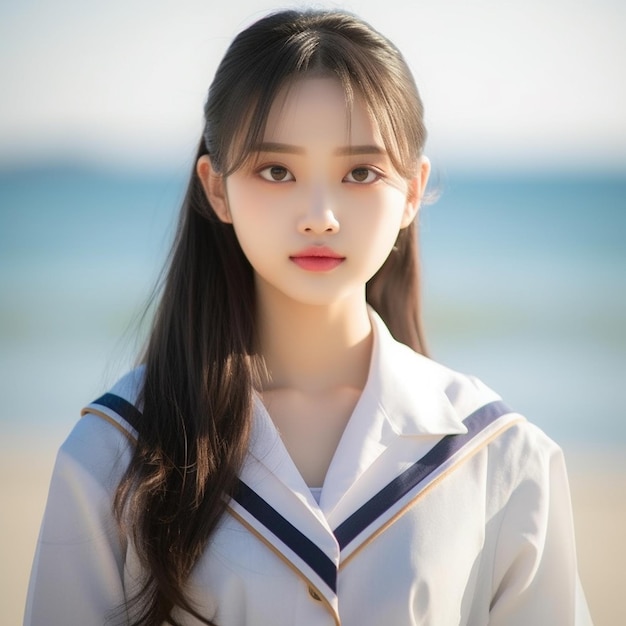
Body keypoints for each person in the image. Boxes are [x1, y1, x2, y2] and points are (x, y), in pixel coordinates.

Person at [24, 8, 593, 626]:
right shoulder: (115, 451)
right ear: (216, 189)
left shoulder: (503, 458)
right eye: (277, 170)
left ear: (410, 191)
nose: (320, 214)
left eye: (360, 172)